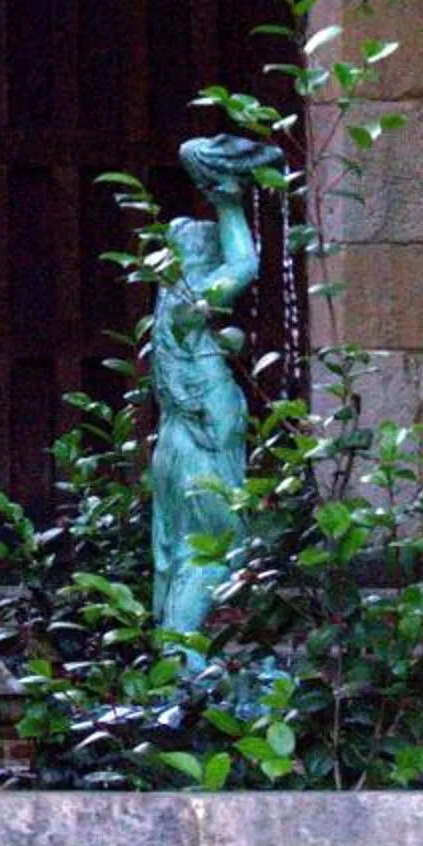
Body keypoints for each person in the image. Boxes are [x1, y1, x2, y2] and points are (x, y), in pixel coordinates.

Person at [148, 133, 282, 650]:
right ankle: (181, 654)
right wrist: (229, 206)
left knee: (193, 551)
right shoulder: (187, 308)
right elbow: (245, 266)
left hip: (186, 447)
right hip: (199, 453)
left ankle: (177, 657)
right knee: (217, 549)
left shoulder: (179, 321)